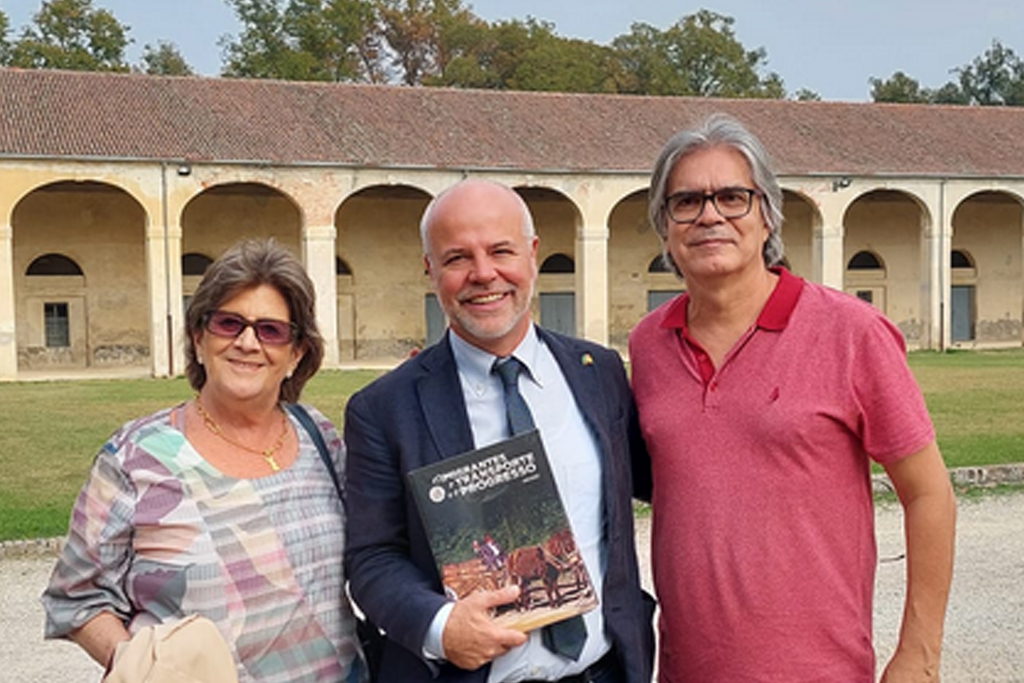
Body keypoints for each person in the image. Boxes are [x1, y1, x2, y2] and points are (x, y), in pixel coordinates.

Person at [629, 114, 957, 683]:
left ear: (767, 217)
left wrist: (919, 656)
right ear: (665, 228)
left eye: (732, 197)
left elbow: (930, 494)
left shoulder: (851, 332)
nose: (710, 215)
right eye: (686, 202)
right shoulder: (649, 344)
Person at [344, 179, 654, 683]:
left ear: (532, 255)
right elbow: (374, 557)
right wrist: (441, 627)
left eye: (501, 251)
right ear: (431, 270)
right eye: (457, 258)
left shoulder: (598, 372)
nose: (484, 274)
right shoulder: (383, 409)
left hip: (606, 672)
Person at [42, 238, 366, 683]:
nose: (248, 342)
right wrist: (150, 670)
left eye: (271, 330)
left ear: (296, 354)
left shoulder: (320, 438)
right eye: (228, 324)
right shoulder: (136, 456)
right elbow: (76, 598)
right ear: (198, 338)